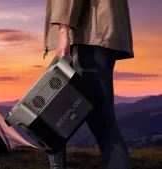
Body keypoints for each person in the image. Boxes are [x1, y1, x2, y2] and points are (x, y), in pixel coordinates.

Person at [43, 0, 134, 169]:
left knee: (102, 121)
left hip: (87, 32)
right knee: (47, 117)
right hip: (95, 32)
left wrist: (63, 32)